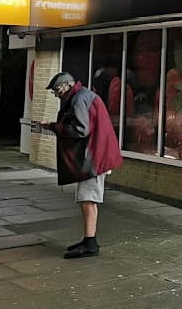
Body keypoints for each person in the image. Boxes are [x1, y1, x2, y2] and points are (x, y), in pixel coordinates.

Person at [40, 72, 123, 259]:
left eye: (56, 90)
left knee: (87, 199)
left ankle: (90, 243)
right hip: (97, 154)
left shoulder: (78, 100)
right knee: (87, 199)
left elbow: (80, 130)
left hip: (94, 158)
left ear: (65, 86)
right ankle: (88, 240)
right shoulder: (84, 95)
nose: (55, 94)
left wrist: (54, 126)